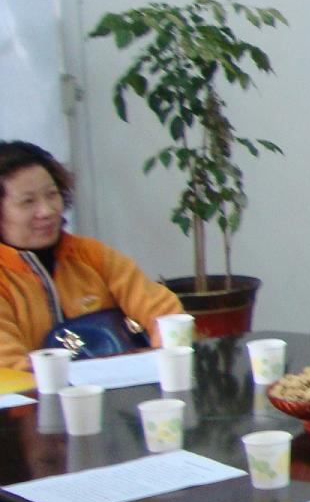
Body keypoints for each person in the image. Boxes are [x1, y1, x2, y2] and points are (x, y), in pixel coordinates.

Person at [0, 141, 184, 370]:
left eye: (52, 195)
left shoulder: (91, 255)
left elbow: (165, 313)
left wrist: (170, 363)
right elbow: (9, 368)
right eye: (28, 202)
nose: (46, 211)